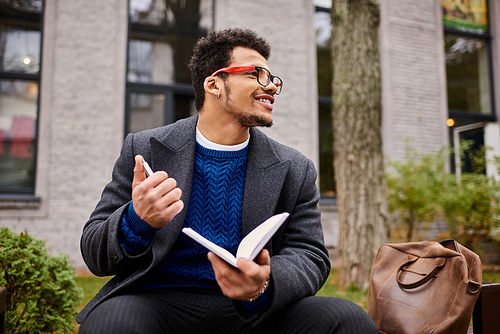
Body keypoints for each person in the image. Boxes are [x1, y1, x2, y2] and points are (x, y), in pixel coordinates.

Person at [77, 28, 378, 334]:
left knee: (348, 319)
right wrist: (136, 219)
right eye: (257, 74)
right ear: (214, 84)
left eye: (273, 79)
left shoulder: (294, 168)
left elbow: (310, 254)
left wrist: (263, 282)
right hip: (158, 303)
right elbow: (95, 252)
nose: (271, 86)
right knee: (109, 325)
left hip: (254, 309)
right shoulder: (145, 149)